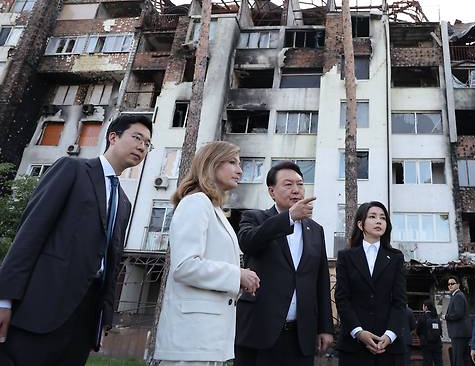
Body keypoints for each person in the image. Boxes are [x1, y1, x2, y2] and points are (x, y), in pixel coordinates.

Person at [0, 115, 152, 365]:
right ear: (113, 137)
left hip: (84, 318)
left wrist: (105, 318)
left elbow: (112, 264)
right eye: (137, 138)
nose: (142, 147)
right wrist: (4, 297)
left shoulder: (124, 202)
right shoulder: (73, 170)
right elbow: (31, 232)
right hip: (41, 308)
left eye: (147, 144)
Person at [154, 141, 260, 365]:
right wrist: (237, 275)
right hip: (191, 339)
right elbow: (185, 266)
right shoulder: (196, 202)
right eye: (232, 162)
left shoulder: (212, 208)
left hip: (207, 337)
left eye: (239, 164)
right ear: (211, 164)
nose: (240, 170)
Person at [235, 161, 334, 366]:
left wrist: (325, 327)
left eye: (300, 184)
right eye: (288, 185)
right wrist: (288, 218)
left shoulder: (315, 230)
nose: (296, 190)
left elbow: (321, 281)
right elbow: (249, 243)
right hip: (259, 330)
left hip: (301, 336)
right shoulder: (255, 217)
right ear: (272, 192)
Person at [335, 201, 406, 366]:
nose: (379, 221)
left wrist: (389, 335)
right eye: (372, 217)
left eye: (383, 218)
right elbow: (342, 299)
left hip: (389, 347)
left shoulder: (396, 257)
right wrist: (358, 332)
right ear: (361, 224)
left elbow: (400, 301)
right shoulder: (346, 257)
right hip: (354, 346)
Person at [444, 276, 470, 366]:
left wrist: (446, 316)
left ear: (458, 284)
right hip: (460, 333)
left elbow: (459, 314)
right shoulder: (456, 295)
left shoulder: (458, 295)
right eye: (448, 284)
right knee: (464, 358)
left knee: (458, 359)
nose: (450, 285)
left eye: (452, 283)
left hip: (459, 333)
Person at [416, 299, 443, 366]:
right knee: (439, 362)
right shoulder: (436, 316)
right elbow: (440, 330)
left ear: (426, 307)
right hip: (437, 343)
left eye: (423, 306)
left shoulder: (422, 317)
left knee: (427, 362)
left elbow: (418, 330)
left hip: (426, 344)